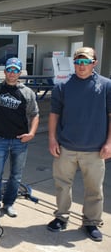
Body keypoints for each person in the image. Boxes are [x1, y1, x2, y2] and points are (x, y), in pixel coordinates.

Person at [47, 47, 111, 242]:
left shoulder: (106, 86)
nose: (81, 66)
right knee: (62, 185)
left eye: (86, 62)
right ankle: (61, 217)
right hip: (66, 147)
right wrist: (52, 139)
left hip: (95, 149)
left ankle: (91, 222)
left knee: (94, 189)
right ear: (74, 63)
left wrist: (109, 142)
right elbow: (54, 114)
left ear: (94, 63)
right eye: (78, 62)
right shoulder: (63, 86)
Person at [0, 58, 39, 218]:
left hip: (20, 141)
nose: (12, 73)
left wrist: (32, 133)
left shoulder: (27, 92)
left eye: (15, 70)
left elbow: (35, 114)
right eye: (9, 70)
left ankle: (9, 204)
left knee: (16, 175)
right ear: (5, 71)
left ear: (20, 73)